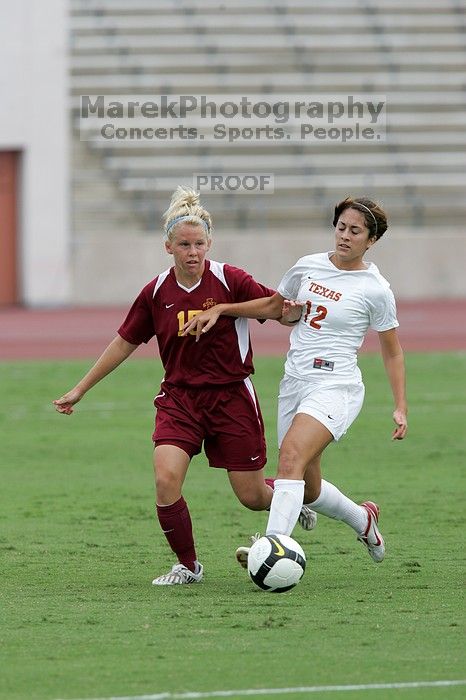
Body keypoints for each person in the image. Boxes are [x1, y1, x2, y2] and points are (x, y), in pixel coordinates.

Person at [53, 186, 293, 586]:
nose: (193, 252)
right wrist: (81, 388)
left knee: (252, 498)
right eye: (184, 244)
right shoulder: (156, 292)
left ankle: (291, 501)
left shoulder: (228, 278)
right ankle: (189, 566)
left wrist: (223, 309)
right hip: (180, 399)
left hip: (232, 396)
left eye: (199, 244)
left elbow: (279, 310)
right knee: (166, 480)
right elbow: (124, 342)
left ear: (209, 244)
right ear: (168, 247)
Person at [183, 196, 408, 566]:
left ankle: (271, 549)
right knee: (308, 487)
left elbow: (392, 350)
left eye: (355, 231)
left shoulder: (375, 289)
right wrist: (222, 309)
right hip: (295, 383)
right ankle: (363, 519)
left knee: (289, 458)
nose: (345, 236)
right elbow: (275, 306)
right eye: (341, 227)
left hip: (335, 386)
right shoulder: (308, 267)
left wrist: (400, 405)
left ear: (371, 241)